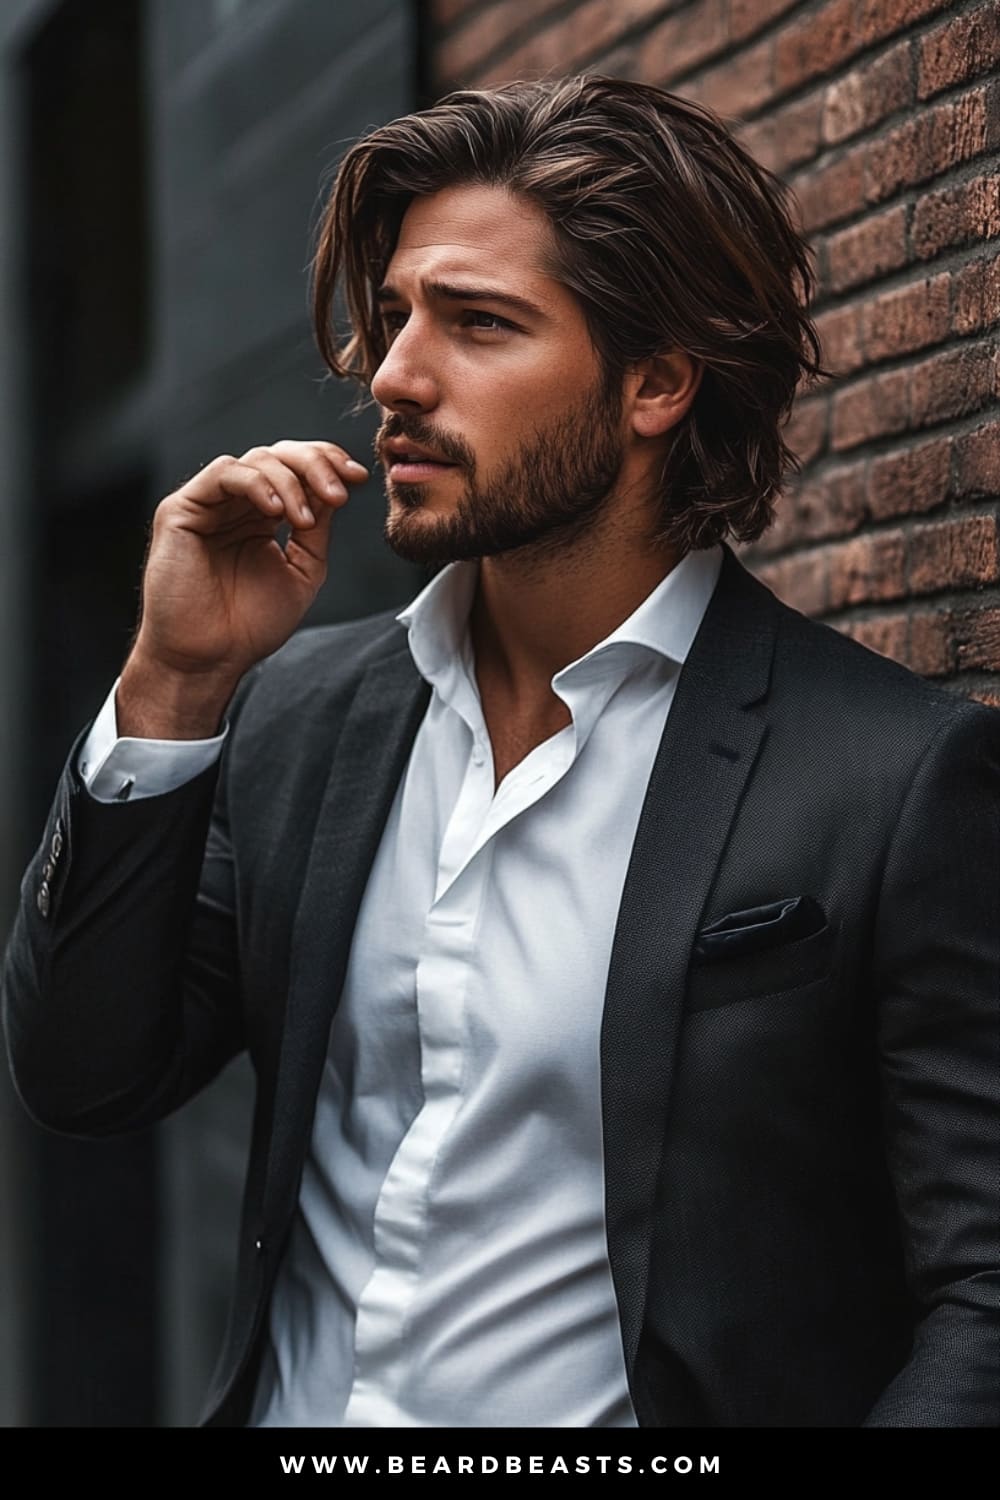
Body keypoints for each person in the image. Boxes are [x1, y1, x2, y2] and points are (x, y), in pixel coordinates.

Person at [3, 73, 998, 1429]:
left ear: (654, 384)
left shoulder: (894, 777)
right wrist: (171, 683)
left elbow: (982, 1298)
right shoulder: (299, 715)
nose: (396, 373)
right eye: (401, 312)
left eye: (479, 324)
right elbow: (83, 1071)